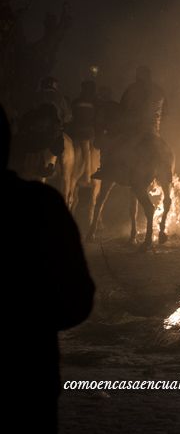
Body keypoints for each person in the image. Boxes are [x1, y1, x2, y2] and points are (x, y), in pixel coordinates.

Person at [1, 105, 95, 431]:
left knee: (86, 144)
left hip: (34, 377)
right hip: (32, 374)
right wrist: (34, 320)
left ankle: (91, 169)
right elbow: (78, 301)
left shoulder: (57, 106)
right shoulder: (42, 205)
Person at [119, 64, 166, 136]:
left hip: (139, 130)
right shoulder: (157, 90)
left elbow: (122, 108)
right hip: (148, 129)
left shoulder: (132, 89)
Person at [68, 79, 97, 184]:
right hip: (88, 131)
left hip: (75, 131)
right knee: (90, 150)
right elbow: (97, 117)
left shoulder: (76, 101)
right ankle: (88, 174)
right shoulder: (95, 102)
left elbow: (70, 116)